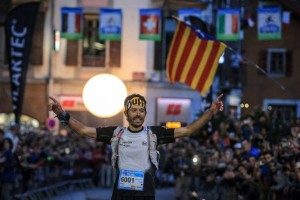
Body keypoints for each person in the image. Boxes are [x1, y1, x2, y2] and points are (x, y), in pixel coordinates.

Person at [48, 93, 223, 200]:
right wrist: (62, 114)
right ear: (126, 113)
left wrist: (211, 112)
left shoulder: (155, 133)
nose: (138, 114)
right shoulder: (116, 132)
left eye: (141, 110)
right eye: (134, 110)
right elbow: (84, 131)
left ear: (145, 113)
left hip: (145, 194)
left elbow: (189, 130)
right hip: (121, 195)